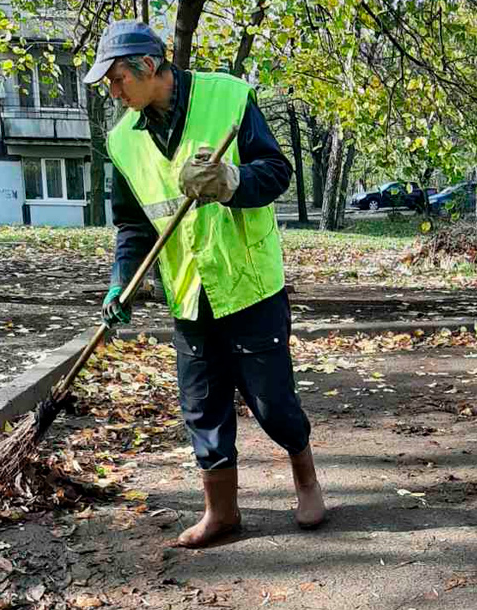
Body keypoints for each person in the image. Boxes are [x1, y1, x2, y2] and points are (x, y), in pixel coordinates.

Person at [83, 20, 325, 547]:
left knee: (272, 402)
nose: (114, 91)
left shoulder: (229, 98)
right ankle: (222, 512)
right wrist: (120, 282)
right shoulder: (122, 140)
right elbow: (132, 223)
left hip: (248, 284)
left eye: (118, 78)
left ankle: (306, 481)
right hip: (188, 291)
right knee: (202, 405)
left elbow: (277, 172)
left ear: (149, 67)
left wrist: (233, 181)